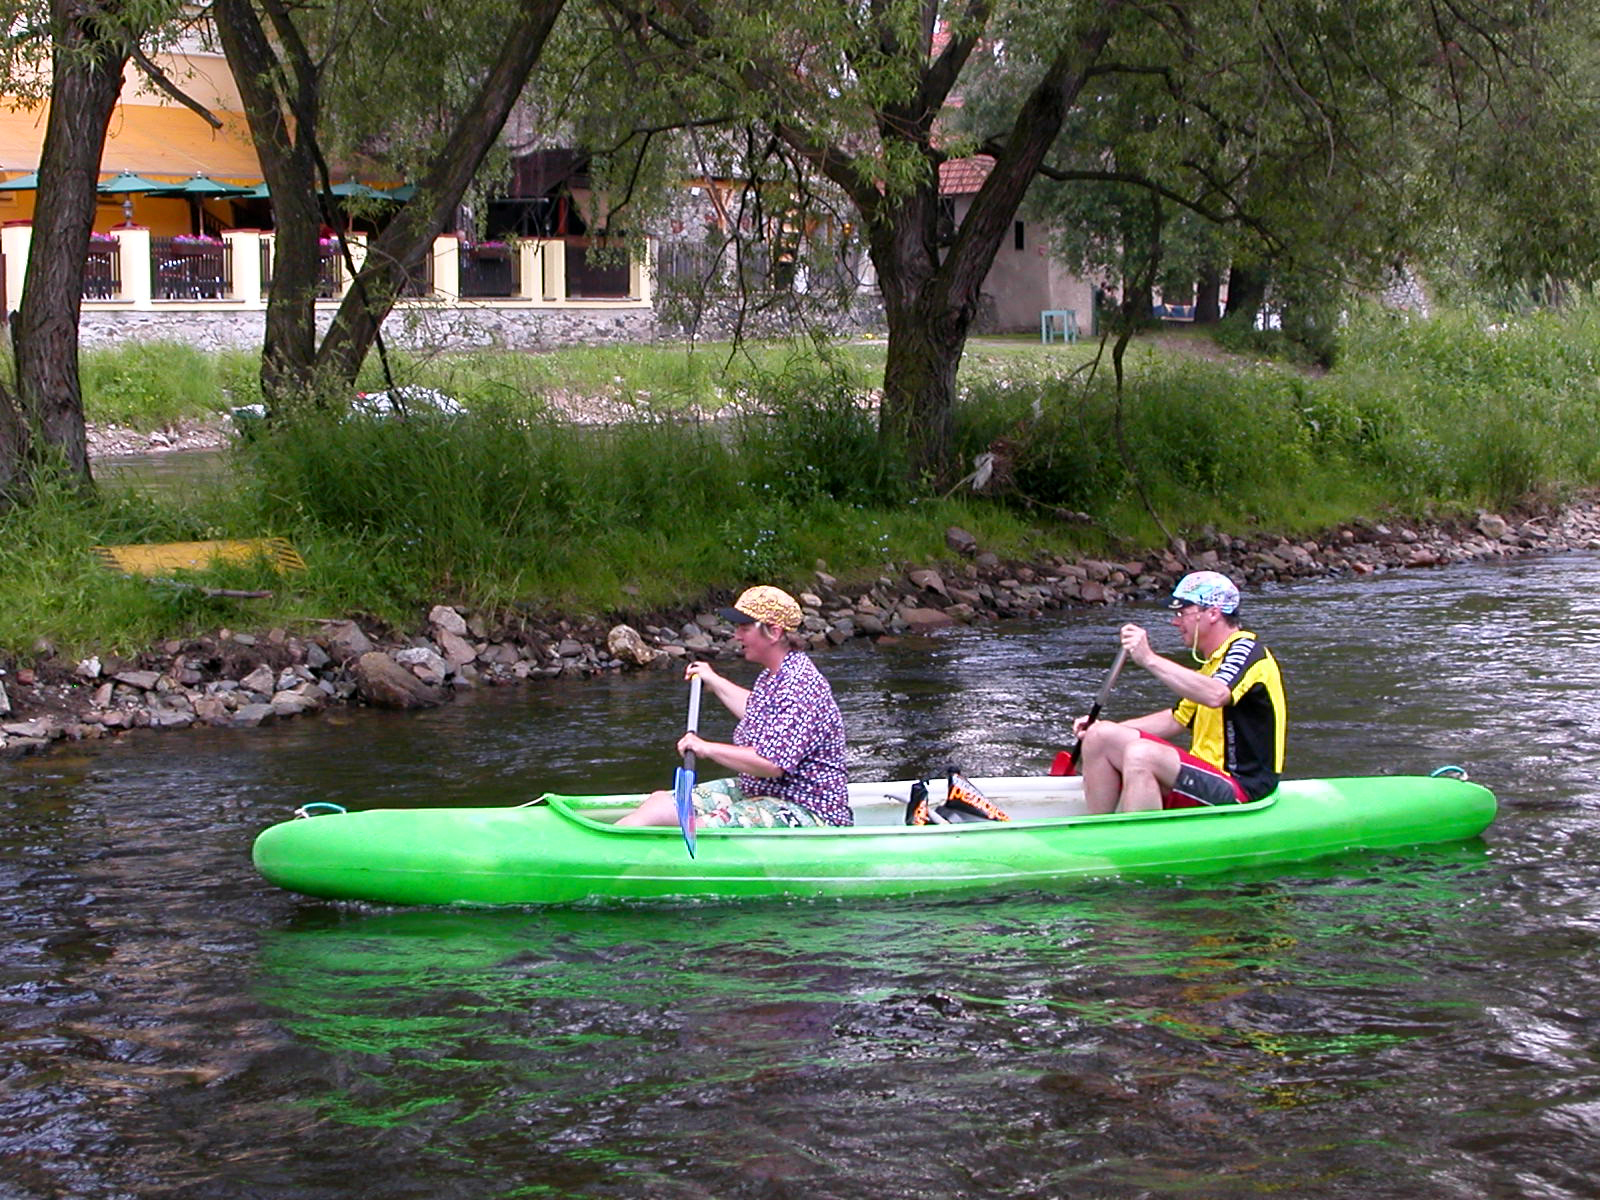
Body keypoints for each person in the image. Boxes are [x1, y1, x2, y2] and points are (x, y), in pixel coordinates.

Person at [617, 585, 852, 829]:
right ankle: (614, 837)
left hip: (807, 809)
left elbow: (772, 764)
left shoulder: (800, 684)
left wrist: (706, 748)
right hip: (763, 792)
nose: (737, 636)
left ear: (773, 632)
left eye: (745, 628)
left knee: (701, 827)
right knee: (662, 803)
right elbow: (758, 712)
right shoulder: (774, 675)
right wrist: (714, 680)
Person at [1073, 570, 1286, 814]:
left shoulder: (1247, 651)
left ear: (1213, 613)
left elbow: (1216, 695)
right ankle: (1099, 827)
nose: (1175, 622)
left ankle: (1137, 835)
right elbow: (1176, 719)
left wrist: (1149, 659)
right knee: (1100, 735)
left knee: (1142, 754)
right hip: (1209, 775)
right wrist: (1103, 728)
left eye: (1183, 612)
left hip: (1243, 788)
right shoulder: (1210, 665)